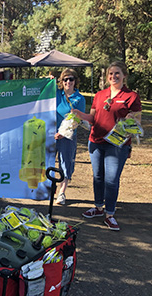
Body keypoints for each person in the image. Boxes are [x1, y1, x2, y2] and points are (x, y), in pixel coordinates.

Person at [75, 61, 142, 231]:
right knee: (98, 177)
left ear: (124, 75)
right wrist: (79, 114)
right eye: (110, 74)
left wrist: (128, 121)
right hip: (96, 141)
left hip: (116, 146)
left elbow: (137, 121)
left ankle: (109, 214)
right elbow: (92, 118)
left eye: (117, 73)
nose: (113, 76)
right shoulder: (99, 95)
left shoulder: (131, 96)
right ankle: (98, 208)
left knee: (111, 180)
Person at [54, 69, 86, 205]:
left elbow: (78, 120)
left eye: (71, 79)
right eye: (65, 79)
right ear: (61, 81)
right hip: (50, 134)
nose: (68, 82)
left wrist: (63, 133)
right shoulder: (55, 94)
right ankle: (47, 189)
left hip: (67, 136)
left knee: (66, 163)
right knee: (46, 161)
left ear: (75, 81)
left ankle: (62, 192)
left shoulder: (79, 99)